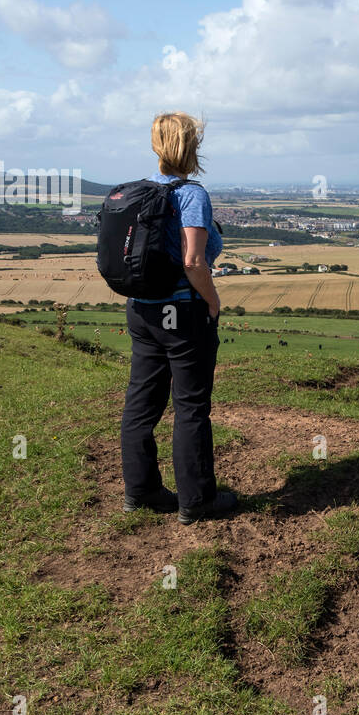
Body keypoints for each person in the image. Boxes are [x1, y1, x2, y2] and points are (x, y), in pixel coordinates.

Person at [120, 112, 238, 524]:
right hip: (181, 311)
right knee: (190, 407)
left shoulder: (138, 191)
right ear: (192, 147)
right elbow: (192, 260)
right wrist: (213, 301)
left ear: (156, 146)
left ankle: (141, 491)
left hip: (141, 310)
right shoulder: (191, 195)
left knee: (142, 402)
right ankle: (197, 500)